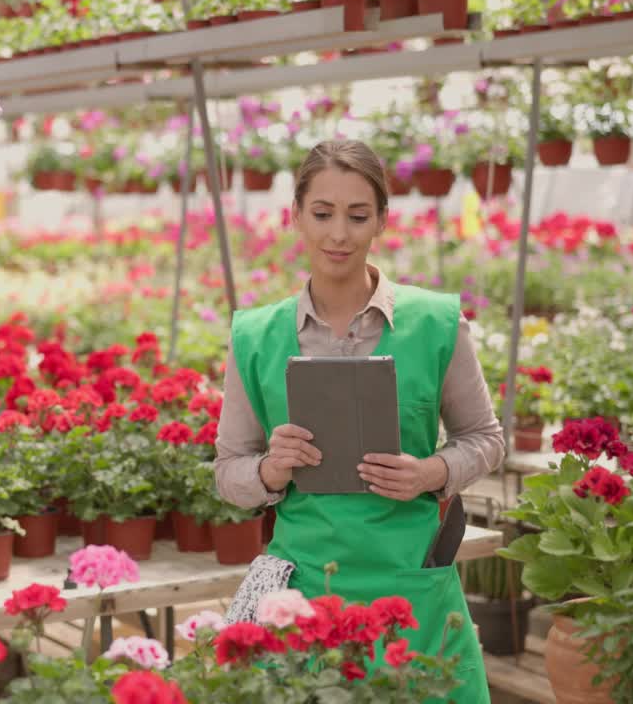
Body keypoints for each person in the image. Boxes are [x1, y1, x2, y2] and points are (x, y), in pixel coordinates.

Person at [214, 139, 502, 702]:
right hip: (304, 594)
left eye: (357, 215)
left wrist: (432, 471)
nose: (338, 234)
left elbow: (486, 439)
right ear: (295, 216)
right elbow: (229, 472)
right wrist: (273, 470)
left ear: (382, 221)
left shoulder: (438, 323)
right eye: (321, 214)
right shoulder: (255, 336)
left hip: (412, 587)